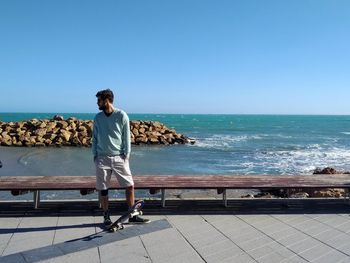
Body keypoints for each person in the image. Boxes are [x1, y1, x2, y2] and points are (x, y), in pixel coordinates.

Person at [92, 89, 149, 225]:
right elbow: (94, 137)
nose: (97, 103)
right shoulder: (98, 117)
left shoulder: (121, 115)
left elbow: (126, 137)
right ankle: (106, 216)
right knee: (103, 189)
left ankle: (132, 214)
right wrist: (95, 155)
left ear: (106, 100)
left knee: (129, 185)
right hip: (102, 158)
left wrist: (127, 155)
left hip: (119, 157)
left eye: (99, 100)